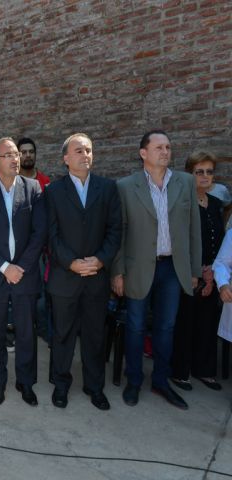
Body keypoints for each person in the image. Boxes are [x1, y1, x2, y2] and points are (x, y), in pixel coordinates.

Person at [112, 130, 201, 410]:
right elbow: (120, 232)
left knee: (166, 327)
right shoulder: (126, 186)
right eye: (159, 147)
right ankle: (134, 381)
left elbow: (193, 229)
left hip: (173, 269)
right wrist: (117, 272)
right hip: (138, 268)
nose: (165, 152)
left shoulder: (185, 182)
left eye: (168, 147)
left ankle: (161, 381)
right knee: (136, 326)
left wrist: (194, 269)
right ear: (143, 153)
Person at [46, 133, 122, 410]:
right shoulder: (53, 192)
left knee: (94, 335)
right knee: (62, 335)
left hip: (96, 277)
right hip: (65, 277)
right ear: (66, 158)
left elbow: (115, 230)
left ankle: (94, 387)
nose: (85, 155)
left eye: (89, 150)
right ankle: (61, 385)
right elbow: (51, 234)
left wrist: (100, 261)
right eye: (79, 151)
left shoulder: (107, 188)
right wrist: (71, 262)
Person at [0, 137, 47, 406]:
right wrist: (5, 268)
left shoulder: (33, 189)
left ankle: (26, 382)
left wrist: (21, 267)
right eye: (8, 155)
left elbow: (40, 234)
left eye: (16, 154)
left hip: (25, 274)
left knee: (26, 332)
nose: (15, 159)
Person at [171, 151, 224, 391]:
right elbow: (181, 240)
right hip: (188, 273)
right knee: (186, 321)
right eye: (199, 172)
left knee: (208, 321)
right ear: (190, 174)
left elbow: (220, 240)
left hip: (213, 273)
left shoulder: (216, 204)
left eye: (209, 172)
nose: (205, 176)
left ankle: (204, 369)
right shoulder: (183, 203)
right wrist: (197, 270)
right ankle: (180, 371)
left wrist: (213, 270)